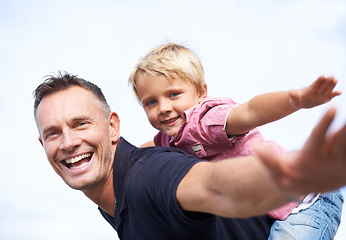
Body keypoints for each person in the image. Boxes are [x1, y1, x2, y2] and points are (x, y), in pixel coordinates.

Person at [34, 72, 346, 240]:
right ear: (42, 144)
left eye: (80, 124)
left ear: (112, 126)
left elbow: (214, 184)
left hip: (307, 201)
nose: (68, 142)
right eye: (53, 133)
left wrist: (287, 177)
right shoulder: (118, 195)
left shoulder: (150, 174)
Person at [128, 43, 344, 239]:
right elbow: (143, 153)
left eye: (174, 94)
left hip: (307, 201)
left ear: (201, 92)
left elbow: (249, 112)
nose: (163, 108)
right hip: (273, 206)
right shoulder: (167, 139)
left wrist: (295, 100)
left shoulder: (205, 120)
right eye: (151, 102)